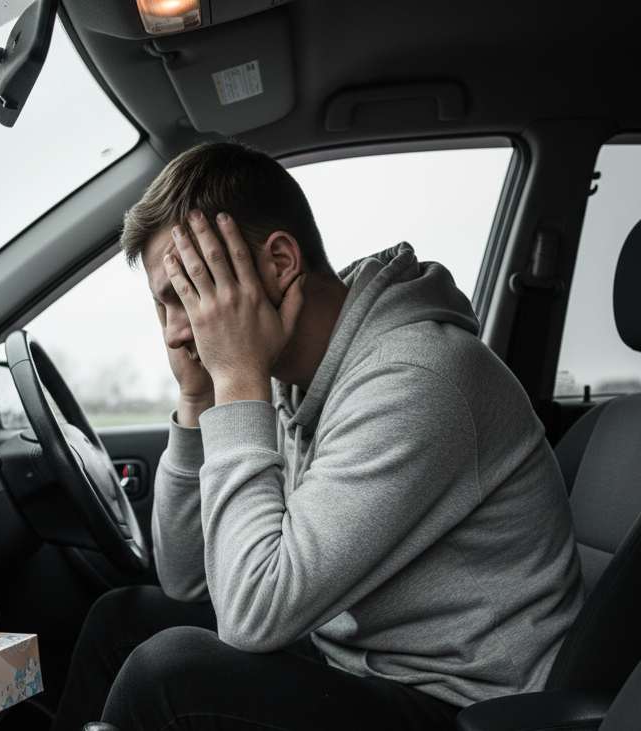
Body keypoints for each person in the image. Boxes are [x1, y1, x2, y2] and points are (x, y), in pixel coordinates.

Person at [51, 142, 584, 731]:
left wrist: (235, 378)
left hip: (459, 706)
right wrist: (200, 397)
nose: (177, 332)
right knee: (120, 621)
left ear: (280, 262)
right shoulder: (297, 372)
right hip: (354, 663)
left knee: (167, 674)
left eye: (191, 294)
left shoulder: (416, 380)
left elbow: (253, 615)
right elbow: (185, 581)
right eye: (164, 305)